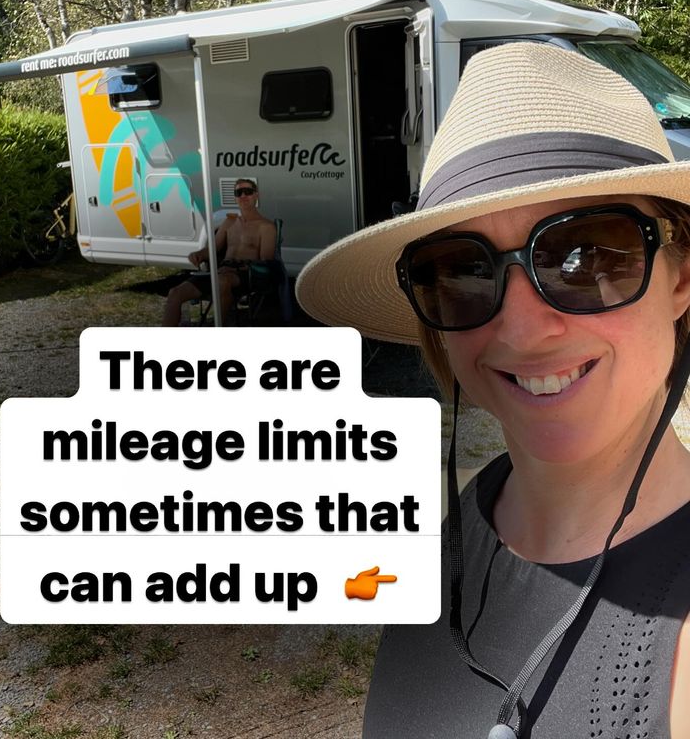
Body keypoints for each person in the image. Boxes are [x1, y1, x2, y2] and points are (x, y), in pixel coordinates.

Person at [296, 42, 690, 738]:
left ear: (681, 274)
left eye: (584, 254)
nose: (523, 329)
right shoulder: (469, 519)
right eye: (461, 269)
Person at [162, 178, 276, 325]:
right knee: (175, 293)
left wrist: (239, 267)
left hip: (246, 275)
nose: (243, 196)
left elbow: (266, 262)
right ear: (235, 197)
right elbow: (213, 249)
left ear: (256, 195)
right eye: (238, 192)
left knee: (222, 281)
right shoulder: (229, 223)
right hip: (221, 273)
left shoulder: (266, 227)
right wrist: (199, 254)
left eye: (247, 191)